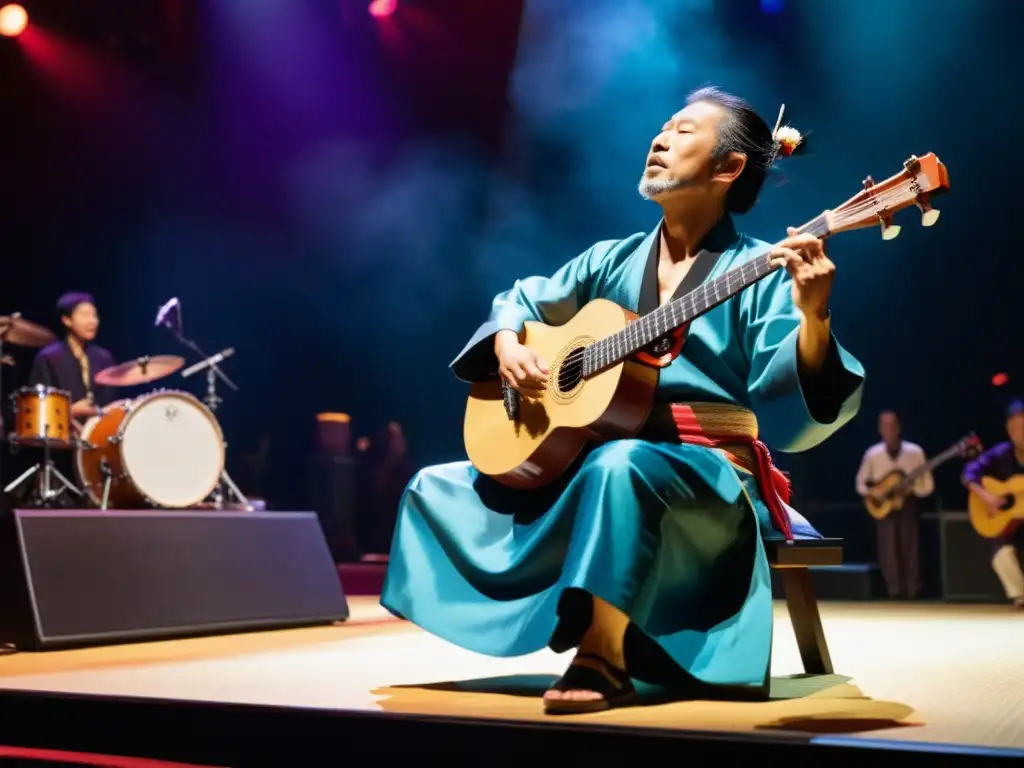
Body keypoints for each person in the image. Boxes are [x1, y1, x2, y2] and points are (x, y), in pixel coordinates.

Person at [381, 87, 865, 714]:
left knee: (619, 466)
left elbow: (792, 402)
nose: (659, 139)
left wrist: (815, 316)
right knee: (436, 484)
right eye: (662, 127)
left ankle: (601, 654)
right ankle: (551, 610)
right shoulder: (609, 260)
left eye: (683, 131)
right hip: (597, 461)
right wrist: (506, 344)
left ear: (728, 168)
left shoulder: (762, 268)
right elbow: (524, 300)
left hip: (708, 476)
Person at [854, 411, 934, 599]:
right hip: (883, 507)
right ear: (880, 429)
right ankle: (894, 590)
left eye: (892, 425)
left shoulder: (914, 452)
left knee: (910, 547)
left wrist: (913, 490)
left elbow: (927, 483)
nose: (889, 429)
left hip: (908, 506)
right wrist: (875, 492)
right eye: (885, 426)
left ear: (899, 427)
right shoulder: (873, 454)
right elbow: (860, 482)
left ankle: (913, 589)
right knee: (888, 549)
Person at [960, 400, 1024, 609]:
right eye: (1014, 428)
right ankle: (1020, 597)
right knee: (1000, 554)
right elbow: (969, 473)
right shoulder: (1002, 452)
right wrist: (987, 496)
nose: (1019, 433)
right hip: (1011, 529)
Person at [28, 292, 117, 422]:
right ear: (67, 320)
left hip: (99, 430)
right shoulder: (49, 357)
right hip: (62, 433)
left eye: (95, 315)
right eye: (85, 315)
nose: (93, 321)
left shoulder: (104, 357)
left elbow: (111, 401)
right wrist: (71, 410)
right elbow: (39, 406)